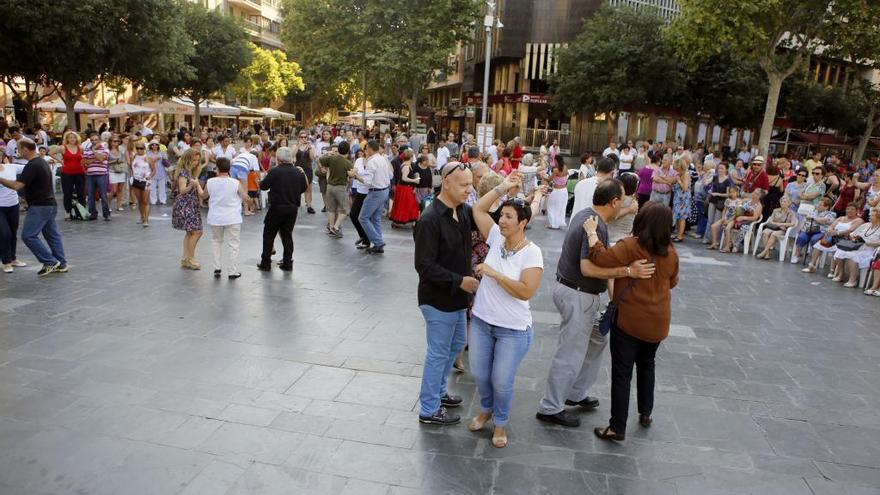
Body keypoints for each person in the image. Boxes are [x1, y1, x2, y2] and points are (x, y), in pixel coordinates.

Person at [536, 179, 655, 428]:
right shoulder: (594, 225)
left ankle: (575, 392)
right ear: (613, 202)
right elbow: (587, 267)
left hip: (577, 292)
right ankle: (551, 406)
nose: (623, 204)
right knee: (570, 352)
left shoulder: (587, 216)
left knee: (597, 340)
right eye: (621, 200)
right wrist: (628, 272)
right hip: (578, 294)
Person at [582, 202, 678, 441]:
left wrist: (592, 233)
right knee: (648, 364)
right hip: (658, 322)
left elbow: (602, 258)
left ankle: (617, 427)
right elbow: (673, 282)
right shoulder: (671, 253)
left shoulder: (631, 246)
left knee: (622, 373)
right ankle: (646, 412)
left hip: (630, 321)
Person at [467, 171, 544, 448]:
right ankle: (486, 408)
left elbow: (526, 290)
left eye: (509, 217)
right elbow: (478, 207)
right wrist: (503, 186)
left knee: (501, 379)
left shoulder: (531, 252)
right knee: (479, 374)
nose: (501, 220)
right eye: (501, 216)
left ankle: (500, 423)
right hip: (482, 322)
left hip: (513, 329)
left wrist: (494, 274)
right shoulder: (496, 238)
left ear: (523, 223)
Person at [413, 161, 477, 425]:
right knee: (438, 353)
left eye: (471, 184)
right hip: (438, 300)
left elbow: (486, 212)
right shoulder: (430, 219)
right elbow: (424, 266)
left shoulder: (462, 211)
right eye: (464, 185)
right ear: (446, 183)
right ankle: (428, 408)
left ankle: (438, 392)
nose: (469, 190)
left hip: (457, 299)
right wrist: (459, 281)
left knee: (456, 344)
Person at [0, 138, 67, 276]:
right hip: (49, 204)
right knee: (52, 235)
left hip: (40, 206)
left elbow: (17, 186)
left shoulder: (33, 165)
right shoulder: (40, 162)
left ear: (25, 149)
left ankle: (50, 262)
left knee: (28, 236)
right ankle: (61, 263)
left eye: (18, 149)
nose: (17, 152)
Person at [258, 147, 310, 271]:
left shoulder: (275, 171)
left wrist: (260, 181)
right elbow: (303, 188)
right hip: (292, 208)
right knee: (287, 235)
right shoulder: (298, 172)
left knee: (269, 234)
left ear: (279, 158)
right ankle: (287, 262)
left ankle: (266, 262)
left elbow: (264, 186)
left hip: (277, 207)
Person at [201, 157, 248, 280]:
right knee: (233, 244)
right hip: (232, 217)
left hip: (216, 217)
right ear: (229, 169)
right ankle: (232, 271)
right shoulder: (235, 182)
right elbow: (244, 196)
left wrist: (197, 185)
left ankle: (217, 267)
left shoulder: (210, 182)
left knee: (216, 241)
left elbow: (203, 195)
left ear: (217, 168)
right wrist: (250, 203)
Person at [348, 140, 392, 254]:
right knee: (376, 218)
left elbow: (367, 182)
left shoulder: (372, 162)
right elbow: (390, 175)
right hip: (384, 190)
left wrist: (355, 176)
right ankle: (378, 243)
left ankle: (378, 242)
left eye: (366, 149)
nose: (365, 151)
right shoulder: (383, 158)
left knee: (363, 217)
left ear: (371, 149)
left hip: (375, 192)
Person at [803, 204, 865, 276]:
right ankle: (811, 266)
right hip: (833, 237)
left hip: (845, 239)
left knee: (836, 249)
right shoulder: (841, 218)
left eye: (852, 209)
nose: (849, 211)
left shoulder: (859, 220)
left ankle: (832, 271)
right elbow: (832, 226)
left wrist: (837, 233)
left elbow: (851, 230)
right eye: (848, 209)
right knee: (818, 245)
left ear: (856, 211)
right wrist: (830, 230)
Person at [172, 149, 205, 270]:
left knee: (190, 232)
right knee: (197, 232)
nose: (196, 163)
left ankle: (185, 258)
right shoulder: (184, 173)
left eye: (197, 160)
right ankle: (191, 258)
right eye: (194, 160)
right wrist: (192, 185)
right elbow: (182, 190)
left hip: (191, 204)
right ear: (187, 159)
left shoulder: (190, 172)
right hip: (185, 205)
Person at [831, 208, 880, 288]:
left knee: (853, 256)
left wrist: (868, 243)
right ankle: (841, 274)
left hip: (871, 250)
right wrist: (855, 237)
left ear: (878, 217)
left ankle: (852, 280)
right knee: (839, 252)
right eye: (870, 215)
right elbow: (852, 234)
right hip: (857, 247)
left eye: (872, 215)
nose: (869, 216)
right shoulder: (866, 225)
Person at [318, 140, 353, 237]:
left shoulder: (331, 158)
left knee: (331, 209)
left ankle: (331, 227)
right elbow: (351, 176)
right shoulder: (348, 163)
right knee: (345, 210)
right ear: (347, 151)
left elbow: (320, 159)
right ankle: (336, 227)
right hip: (340, 187)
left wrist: (326, 156)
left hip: (330, 186)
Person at [0, 158, 26, 273]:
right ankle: (6, 262)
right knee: (4, 234)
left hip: (13, 205)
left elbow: (30, 167)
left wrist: (45, 160)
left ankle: (13, 258)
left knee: (13, 232)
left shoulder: (11, 167)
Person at [791, 197, 836, 264]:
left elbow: (826, 220)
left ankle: (813, 259)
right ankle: (796, 255)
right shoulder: (814, 211)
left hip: (821, 231)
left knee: (815, 239)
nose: (818, 206)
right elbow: (805, 220)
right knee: (801, 237)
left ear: (826, 207)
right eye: (818, 204)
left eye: (820, 205)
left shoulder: (831, 214)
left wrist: (814, 218)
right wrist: (801, 227)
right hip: (808, 229)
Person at [389, 149, 421, 228]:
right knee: (409, 204)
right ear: (410, 157)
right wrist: (414, 180)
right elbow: (404, 178)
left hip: (403, 188)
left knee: (404, 205)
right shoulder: (406, 166)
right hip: (405, 189)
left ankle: (400, 221)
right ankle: (410, 221)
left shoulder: (405, 164)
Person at [83, 133, 111, 221]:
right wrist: (96, 158)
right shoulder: (87, 149)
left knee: (103, 195)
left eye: (96, 140)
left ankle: (106, 214)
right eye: (92, 140)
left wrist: (94, 150)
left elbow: (101, 159)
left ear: (99, 140)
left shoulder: (105, 149)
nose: (94, 142)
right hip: (90, 175)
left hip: (102, 175)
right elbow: (85, 162)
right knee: (91, 196)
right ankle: (92, 214)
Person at [607, 173, 640, 244]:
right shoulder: (634, 202)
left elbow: (611, 215)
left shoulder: (616, 200)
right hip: (624, 240)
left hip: (612, 239)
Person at [59, 131, 86, 218]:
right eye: (70, 137)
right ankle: (68, 211)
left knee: (81, 193)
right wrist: (60, 161)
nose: (72, 139)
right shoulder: (63, 147)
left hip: (79, 172)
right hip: (67, 173)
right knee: (67, 193)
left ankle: (81, 212)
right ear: (67, 139)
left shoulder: (80, 148)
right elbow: (51, 152)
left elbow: (84, 158)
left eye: (73, 137)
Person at [349, 149, 371, 249]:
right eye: (366, 149)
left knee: (367, 218)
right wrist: (353, 173)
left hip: (371, 192)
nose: (367, 152)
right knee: (354, 215)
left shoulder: (374, 161)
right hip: (360, 191)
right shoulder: (359, 161)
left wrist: (356, 176)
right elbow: (355, 170)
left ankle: (369, 240)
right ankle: (363, 236)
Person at [129, 141, 155, 227]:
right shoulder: (133, 157)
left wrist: (150, 176)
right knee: (139, 201)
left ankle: (146, 220)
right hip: (136, 180)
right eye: (137, 148)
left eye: (141, 148)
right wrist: (132, 176)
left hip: (146, 181)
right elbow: (131, 168)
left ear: (144, 149)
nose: (139, 150)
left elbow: (154, 170)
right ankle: (142, 216)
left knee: (145, 201)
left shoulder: (148, 158)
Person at [671, 158, 692, 242]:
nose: (676, 169)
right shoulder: (680, 174)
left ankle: (680, 236)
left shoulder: (686, 174)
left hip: (683, 199)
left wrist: (679, 181)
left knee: (682, 218)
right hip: (678, 198)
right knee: (678, 217)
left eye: (677, 167)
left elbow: (685, 188)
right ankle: (678, 234)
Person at [546, 155, 569, 229]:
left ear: (556, 160)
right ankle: (558, 223)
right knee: (560, 207)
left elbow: (549, 179)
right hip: (564, 190)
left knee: (551, 206)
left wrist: (544, 176)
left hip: (557, 191)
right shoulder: (565, 167)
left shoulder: (556, 170)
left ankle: (553, 224)